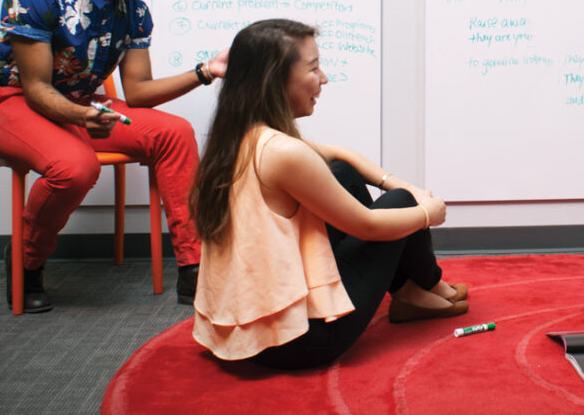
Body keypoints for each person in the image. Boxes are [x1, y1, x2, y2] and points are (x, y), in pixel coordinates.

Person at [0, 0, 228, 312]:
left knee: (175, 133)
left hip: (78, 107)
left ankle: (194, 267)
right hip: (12, 104)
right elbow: (37, 88)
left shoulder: (133, 11)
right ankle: (26, 259)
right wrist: (82, 117)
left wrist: (205, 71)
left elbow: (139, 92)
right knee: (76, 168)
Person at [190, 19, 468, 368]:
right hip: (300, 340)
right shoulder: (283, 153)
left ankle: (414, 290)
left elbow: (341, 156)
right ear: (275, 79)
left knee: (346, 175)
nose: (323, 79)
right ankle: (425, 285)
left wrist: (398, 182)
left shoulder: (239, 135)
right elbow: (367, 226)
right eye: (314, 68)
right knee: (400, 206)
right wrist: (428, 211)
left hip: (255, 328)